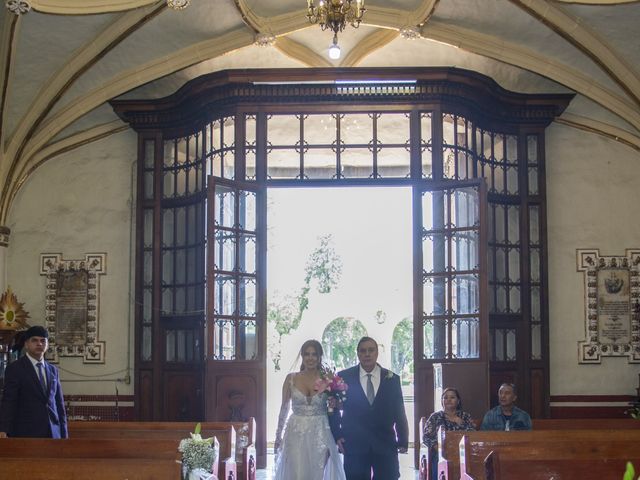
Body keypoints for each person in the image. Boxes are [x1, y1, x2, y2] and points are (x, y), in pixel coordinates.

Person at [329, 336, 408, 480]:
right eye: (363, 351)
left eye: (371, 350)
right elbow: (333, 408)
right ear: (358, 353)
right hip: (354, 443)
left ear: (377, 353)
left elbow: (399, 410)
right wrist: (337, 435)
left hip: (385, 443)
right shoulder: (343, 377)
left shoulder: (392, 379)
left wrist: (403, 438)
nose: (367, 354)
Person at [273, 339, 345, 480]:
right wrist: (278, 435)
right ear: (302, 356)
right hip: (296, 432)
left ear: (319, 357)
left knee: (317, 472)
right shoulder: (291, 379)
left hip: (321, 431)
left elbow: (339, 406)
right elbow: (284, 408)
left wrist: (335, 404)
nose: (310, 358)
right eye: (307, 354)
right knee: (297, 471)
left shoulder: (328, 379)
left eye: (314, 354)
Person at [0, 325, 68, 438]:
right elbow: (9, 401)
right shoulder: (15, 369)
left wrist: (64, 433)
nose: (39, 344)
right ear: (26, 344)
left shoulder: (53, 370)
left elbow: (59, 404)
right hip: (26, 432)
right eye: (34, 340)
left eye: (43, 341)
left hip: (53, 432)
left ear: (47, 345)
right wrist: (3, 429)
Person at [422, 387, 475, 480]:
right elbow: (427, 437)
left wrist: (461, 423)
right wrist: (438, 448)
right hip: (441, 452)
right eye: (445, 398)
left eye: (452, 397)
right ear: (442, 401)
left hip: (462, 452)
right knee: (439, 459)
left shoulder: (465, 416)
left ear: (458, 401)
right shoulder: (435, 416)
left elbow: (473, 434)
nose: (448, 400)